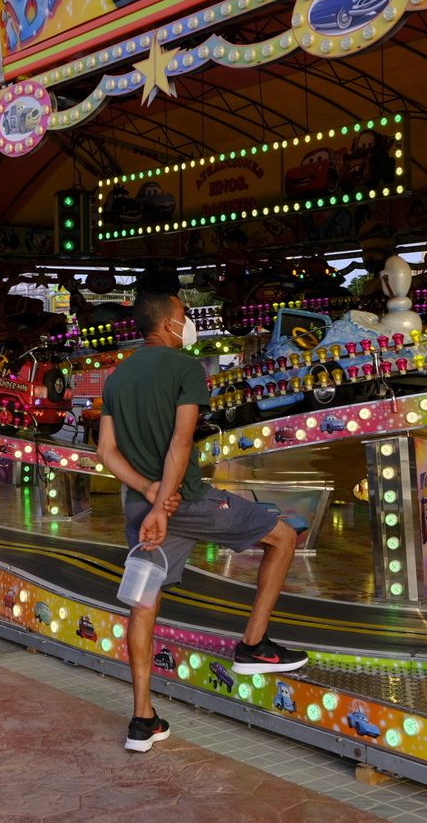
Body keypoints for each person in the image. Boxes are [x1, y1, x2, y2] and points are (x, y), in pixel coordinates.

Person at [97, 289, 306, 752]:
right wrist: (165, 498)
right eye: (185, 315)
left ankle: (142, 719)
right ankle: (253, 646)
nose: (187, 321)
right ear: (170, 322)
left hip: (144, 504)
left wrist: (150, 494)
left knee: (144, 604)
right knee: (283, 536)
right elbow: (181, 443)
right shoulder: (187, 367)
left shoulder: (117, 376)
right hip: (186, 500)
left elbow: (106, 452)